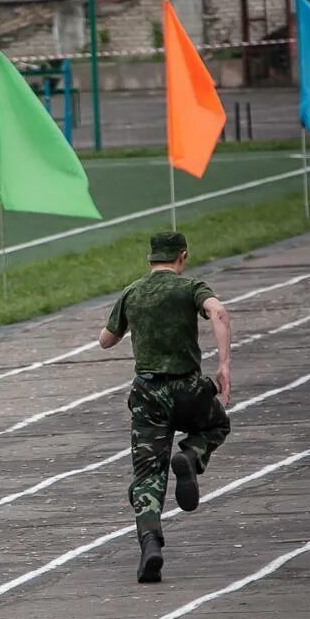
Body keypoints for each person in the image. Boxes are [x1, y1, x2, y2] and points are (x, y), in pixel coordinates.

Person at [98, 231, 231, 584]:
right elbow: (217, 311)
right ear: (182, 256)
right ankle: (191, 455)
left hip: (148, 395)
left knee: (146, 478)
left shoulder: (133, 292)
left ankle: (150, 546)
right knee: (215, 425)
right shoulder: (190, 288)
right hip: (188, 389)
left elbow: (105, 341)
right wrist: (224, 367)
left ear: (150, 259)